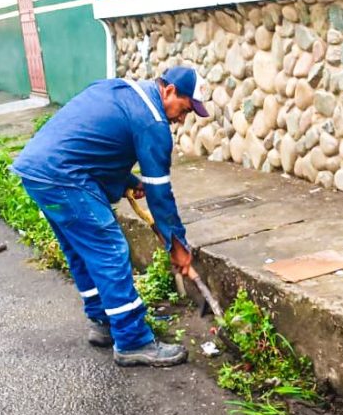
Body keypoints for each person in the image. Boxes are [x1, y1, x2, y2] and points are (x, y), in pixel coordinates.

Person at [11, 65, 210, 367]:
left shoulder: (120, 89)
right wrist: (178, 246)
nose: (181, 119)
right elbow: (161, 197)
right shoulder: (153, 122)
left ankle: (103, 321)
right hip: (64, 177)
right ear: (169, 91)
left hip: (38, 172)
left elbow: (95, 142)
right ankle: (133, 340)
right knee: (110, 251)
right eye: (184, 109)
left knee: (81, 251)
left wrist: (129, 180)